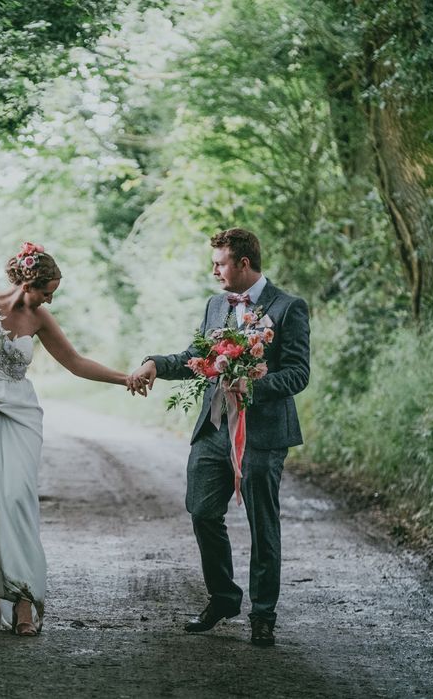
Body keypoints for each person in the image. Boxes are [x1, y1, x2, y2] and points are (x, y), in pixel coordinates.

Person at [0, 242, 133, 636]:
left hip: (19, 415)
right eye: (47, 291)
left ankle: (24, 604)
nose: (50, 300)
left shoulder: (40, 319)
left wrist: (124, 378)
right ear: (29, 281)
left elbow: (75, 363)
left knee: (15, 501)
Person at [129, 228, 310, 646]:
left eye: (220, 263)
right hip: (213, 429)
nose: (214, 271)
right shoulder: (215, 305)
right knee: (202, 510)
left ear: (243, 263)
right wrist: (155, 364)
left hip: (263, 435)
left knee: (262, 524)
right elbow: (198, 358)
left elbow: (299, 373)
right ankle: (225, 596)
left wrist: (254, 385)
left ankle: (263, 614)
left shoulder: (288, 308)